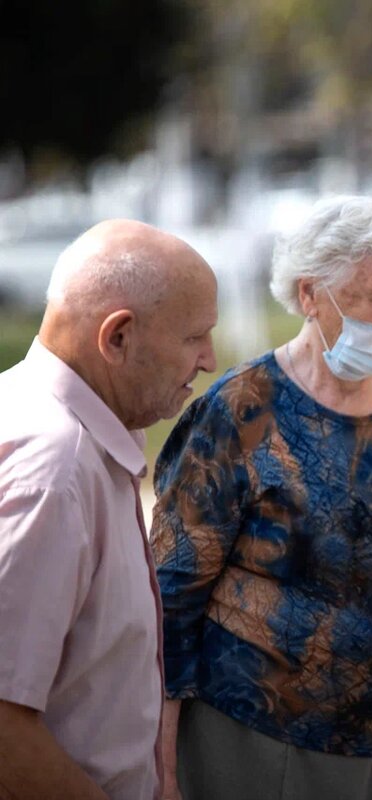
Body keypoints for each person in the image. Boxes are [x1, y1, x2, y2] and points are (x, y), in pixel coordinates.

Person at [151, 196, 372, 800]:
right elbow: (170, 599)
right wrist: (162, 767)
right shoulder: (240, 410)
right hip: (255, 740)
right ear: (309, 296)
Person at [0, 220, 219, 800]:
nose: (209, 359)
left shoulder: (59, 434)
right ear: (117, 337)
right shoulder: (58, 468)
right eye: (194, 337)